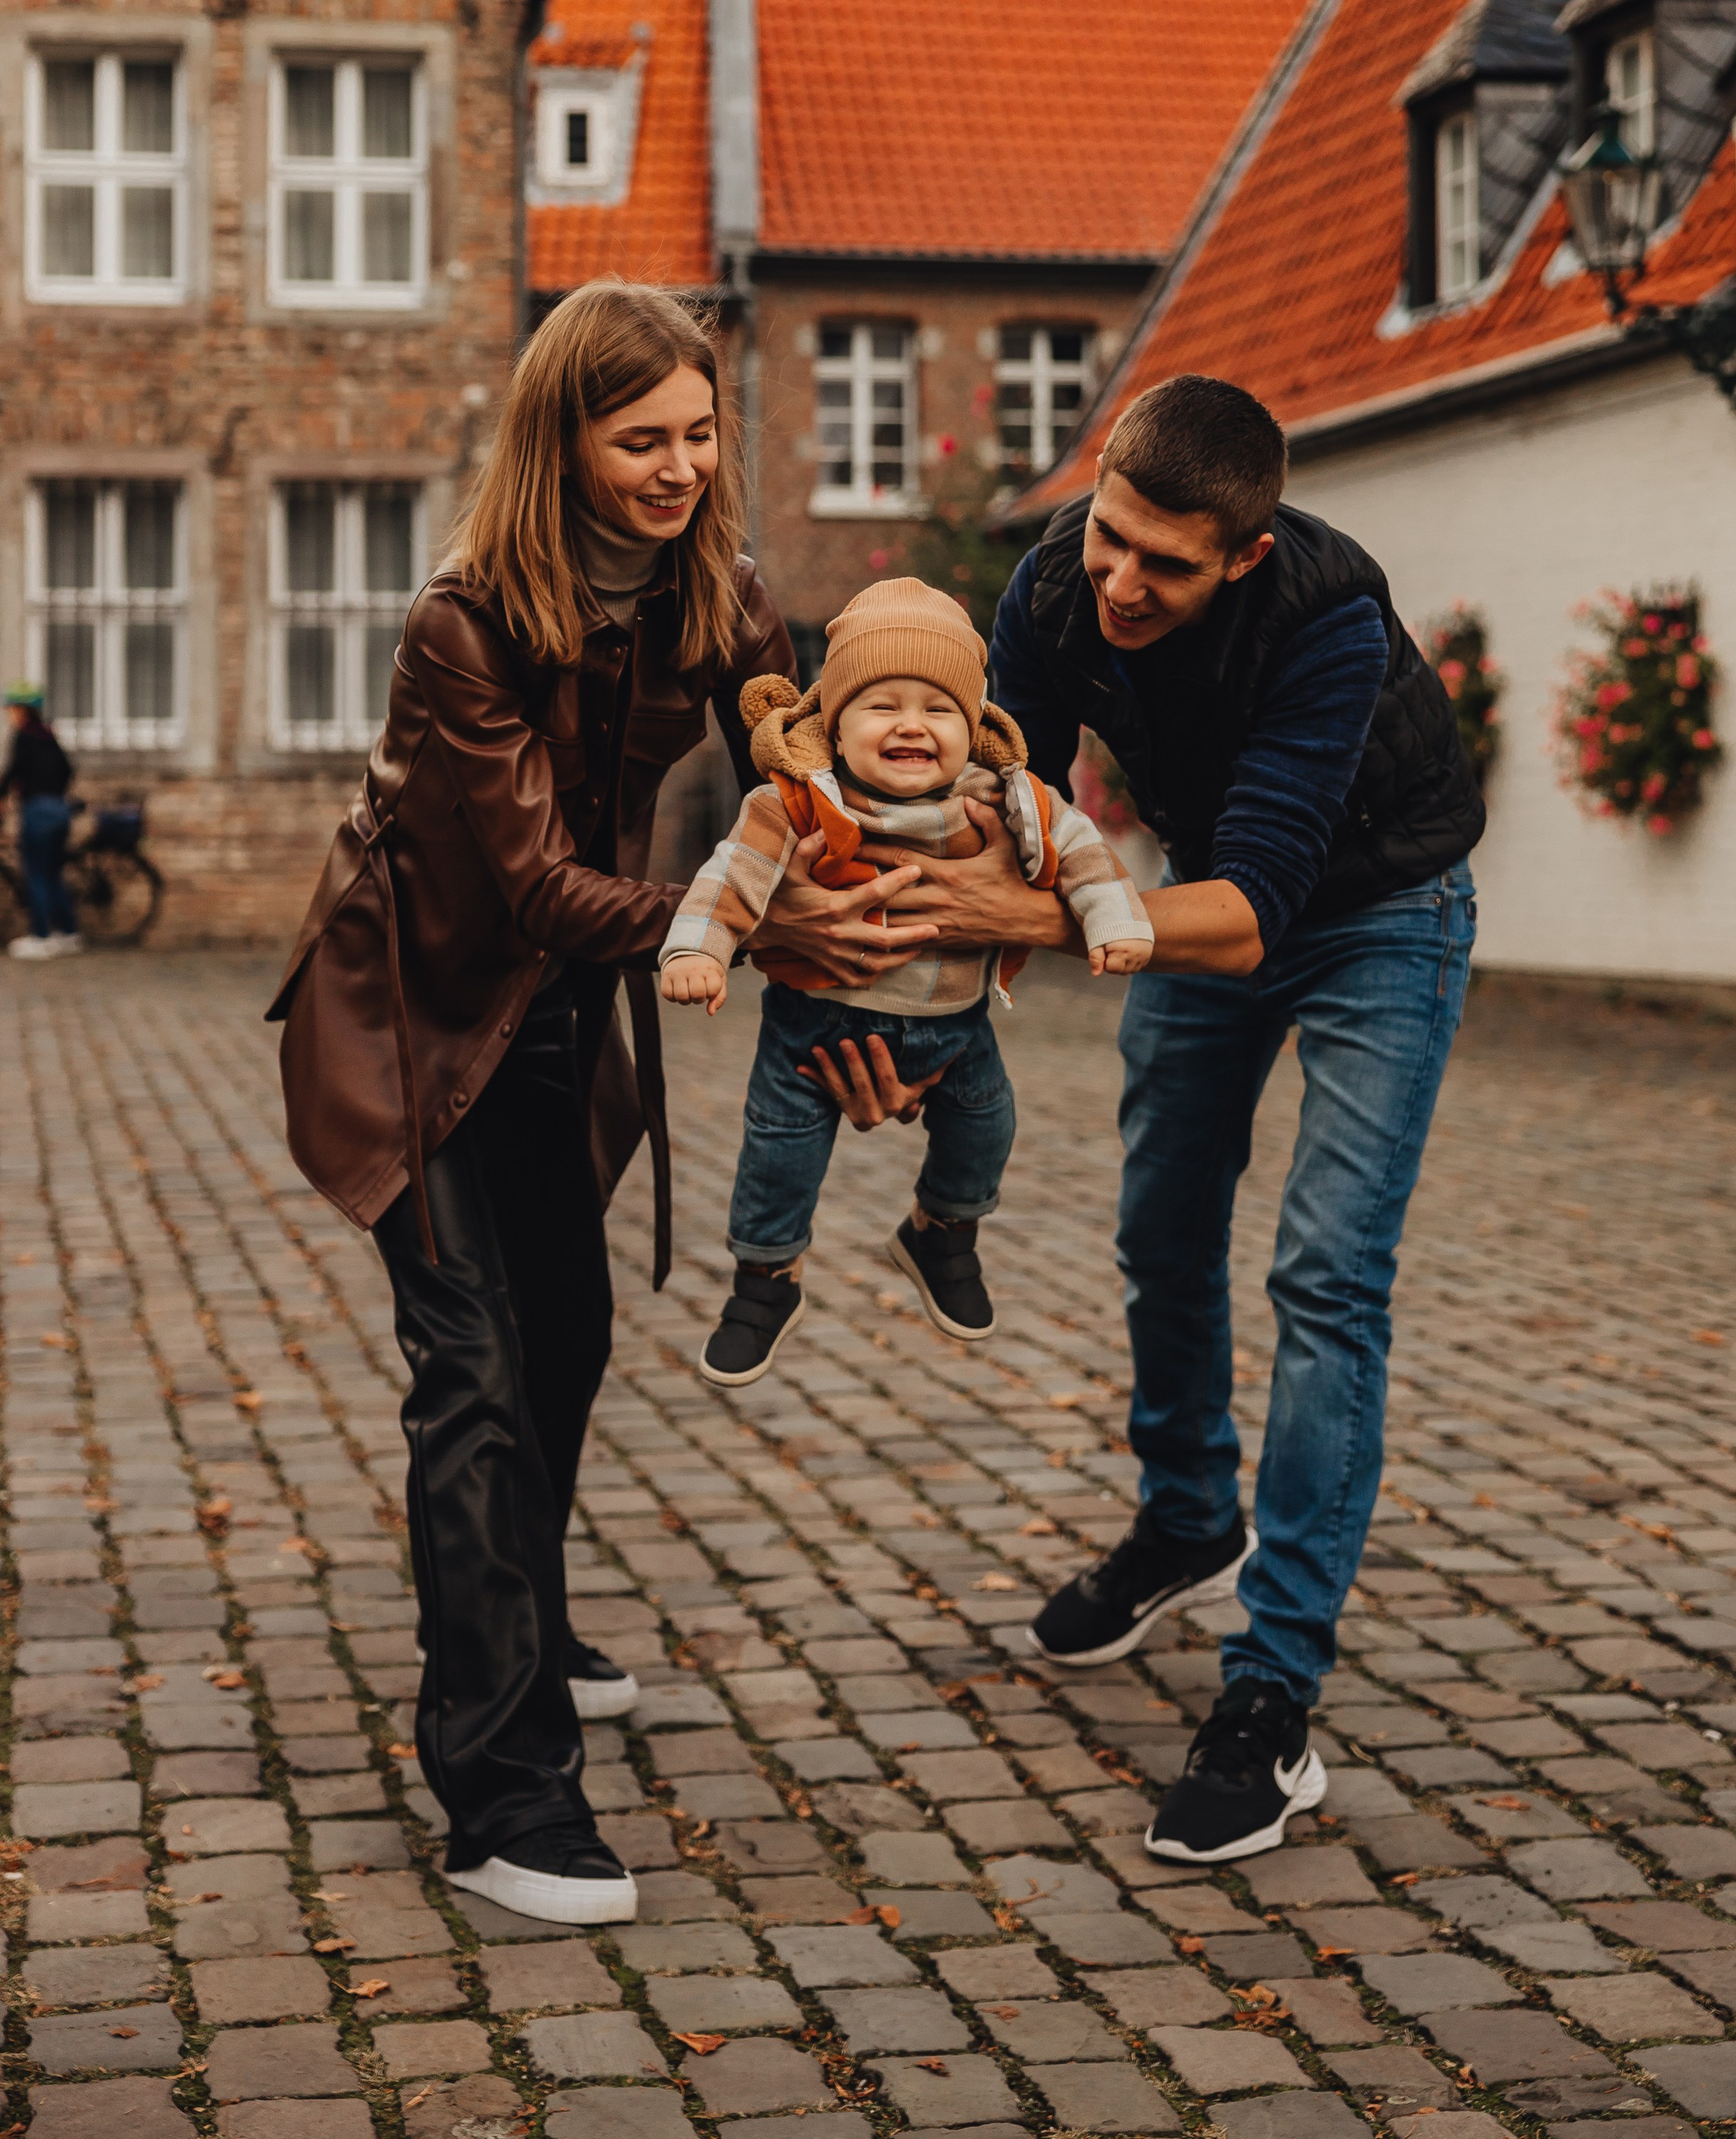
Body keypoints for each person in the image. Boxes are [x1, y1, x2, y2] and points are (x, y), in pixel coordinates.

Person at [863, 373, 1483, 1865]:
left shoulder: (1327, 619)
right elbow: (1003, 809)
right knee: (1158, 1225)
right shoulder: (1051, 585)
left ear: (1243, 556)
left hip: (1376, 914)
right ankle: (1188, 1516)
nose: (1123, 583)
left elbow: (1254, 907)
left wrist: (1028, 915)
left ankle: (1271, 1692)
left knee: (1326, 1274)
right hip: (1201, 886)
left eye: (1167, 564)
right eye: (1112, 538)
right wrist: (915, 1012)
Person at [268, 282, 795, 1927]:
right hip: (411, 1020)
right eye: (642, 441)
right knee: (476, 1376)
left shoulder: (721, 592)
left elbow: (801, 785)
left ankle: (523, 1622)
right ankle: (503, 1793)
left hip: (560, 1020)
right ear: (560, 442)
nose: (680, 469)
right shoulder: (467, 619)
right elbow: (542, 887)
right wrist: (748, 920)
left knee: (565, 1338)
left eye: (699, 435)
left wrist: (877, 947)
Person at [659, 576, 1151, 1388]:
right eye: (882, 705)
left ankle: (942, 1234)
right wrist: (697, 951)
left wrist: (1114, 920)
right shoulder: (796, 801)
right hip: (811, 1026)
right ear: (834, 721)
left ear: (974, 727)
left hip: (955, 1029)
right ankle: (764, 1281)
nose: (911, 724)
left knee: (986, 1129)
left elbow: (1082, 850)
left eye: (938, 709)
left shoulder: (1005, 797)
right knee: (778, 1154)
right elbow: (731, 875)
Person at [3, 683, 81, 961]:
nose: (9, 714)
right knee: (53, 873)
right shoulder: (48, 735)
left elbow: (14, 770)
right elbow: (68, 770)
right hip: (60, 808)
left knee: (35, 873)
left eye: (11, 708)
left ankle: (41, 936)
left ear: (22, 710)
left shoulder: (24, 736)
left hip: (38, 810)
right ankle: (69, 933)